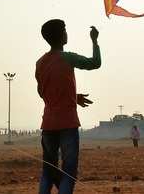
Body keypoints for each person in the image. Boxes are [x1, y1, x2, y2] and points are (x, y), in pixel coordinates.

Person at [36, 20, 102, 194]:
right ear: (61, 36)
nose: (66, 33)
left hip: (48, 125)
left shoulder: (40, 63)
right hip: (67, 124)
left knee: (48, 171)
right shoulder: (67, 58)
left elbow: (42, 92)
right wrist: (94, 41)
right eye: (64, 30)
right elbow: (95, 63)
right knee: (69, 172)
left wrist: (72, 97)